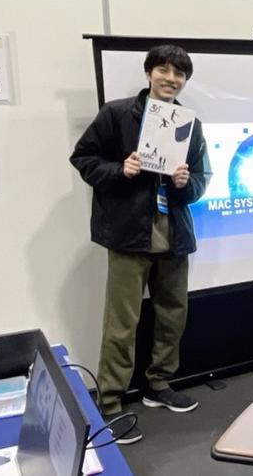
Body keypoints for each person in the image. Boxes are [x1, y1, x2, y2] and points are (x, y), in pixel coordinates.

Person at [70, 44, 208, 444]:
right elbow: (83, 158)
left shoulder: (189, 123)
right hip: (129, 237)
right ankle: (111, 402)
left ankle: (158, 385)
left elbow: (201, 178)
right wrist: (121, 169)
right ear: (149, 73)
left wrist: (185, 183)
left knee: (172, 315)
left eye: (179, 74)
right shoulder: (117, 114)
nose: (171, 79)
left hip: (173, 236)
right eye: (163, 70)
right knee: (122, 323)